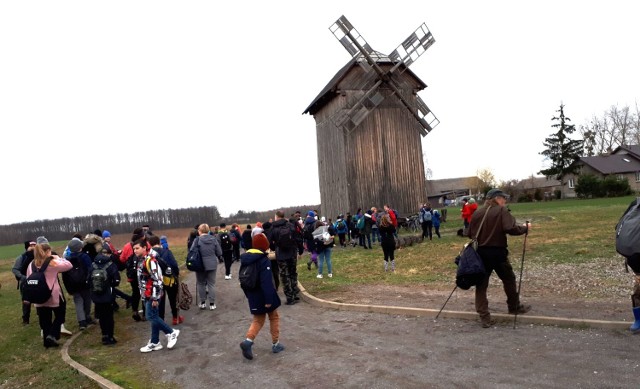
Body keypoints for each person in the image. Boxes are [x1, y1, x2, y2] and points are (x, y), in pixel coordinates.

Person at [467, 188, 531, 328]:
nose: (505, 200)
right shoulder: (501, 210)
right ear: (496, 198)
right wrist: (525, 229)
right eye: (503, 198)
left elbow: (469, 233)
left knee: (481, 285)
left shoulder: (477, 212)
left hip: (481, 254)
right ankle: (514, 307)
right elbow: (510, 228)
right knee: (509, 279)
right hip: (498, 253)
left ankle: (484, 317)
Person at [238, 233, 284, 360]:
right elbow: (266, 282)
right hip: (265, 296)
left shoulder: (246, 260)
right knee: (274, 317)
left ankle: (248, 341)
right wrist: (269, 300)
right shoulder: (263, 260)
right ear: (264, 246)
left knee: (258, 320)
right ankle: (276, 343)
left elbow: (243, 280)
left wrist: (249, 296)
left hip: (253, 295)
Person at [132, 239, 180, 352]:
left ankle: (171, 332)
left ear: (144, 248)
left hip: (152, 294)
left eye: (137, 248)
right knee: (154, 316)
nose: (135, 251)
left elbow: (158, 280)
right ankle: (155, 342)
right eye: (134, 249)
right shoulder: (140, 260)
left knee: (150, 316)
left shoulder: (150, 261)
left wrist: (155, 297)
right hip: (146, 293)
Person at [27, 242, 72, 348]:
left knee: (44, 319)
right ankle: (52, 335)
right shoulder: (52, 263)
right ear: (47, 251)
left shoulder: (31, 264)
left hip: (38, 296)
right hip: (53, 295)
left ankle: (47, 342)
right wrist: (57, 258)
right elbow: (69, 265)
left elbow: (28, 277)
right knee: (60, 315)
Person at [267, 210, 301, 305]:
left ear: (277, 217)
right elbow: (297, 237)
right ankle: (295, 293)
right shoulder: (290, 225)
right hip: (292, 252)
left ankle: (290, 298)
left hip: (281, 254)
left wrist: (275, 247)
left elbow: (269, 242)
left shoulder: (273, 227)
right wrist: (299, 250)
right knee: (293, 273)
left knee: (284, 275)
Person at [89, 248, 121, 345]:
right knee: (109, 316)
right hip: (108, 295)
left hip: (96, 295)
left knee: (101, 316)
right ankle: (110, 337)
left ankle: (104, 335)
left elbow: (88, 280)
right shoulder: (111, 265)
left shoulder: (93, 265)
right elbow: (117, 280)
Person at [148, 235, 182, 325]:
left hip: (157, 281)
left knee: (160, 301)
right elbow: (174, 265)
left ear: (150, 244)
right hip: (169, 280)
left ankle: (161, 320)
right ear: (159, 243)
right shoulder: (167, 252)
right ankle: (175, 317)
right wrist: (176, 274)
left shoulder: (149, 255)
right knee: (173, 299)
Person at [65, 238, 95, 330]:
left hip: (73, 285)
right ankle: (87, 317)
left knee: (78, 302)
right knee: (87, 300)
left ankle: (81, 322)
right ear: (80, 248)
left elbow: (65, 275)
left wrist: (68, 288)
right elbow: (90, 268)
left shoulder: (67, 259)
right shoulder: (84, 256)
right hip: (85, 283)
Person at [193, 224, 222, 310]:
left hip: (200, 265)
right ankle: (212, 304)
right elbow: (219, 252)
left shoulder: (197, 240)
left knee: (201, 283)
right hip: (212, 264)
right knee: (211, 284)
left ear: (200, 231)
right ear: (208, 230)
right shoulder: (213, 239)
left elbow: (192, 251)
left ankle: (203, 303)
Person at [12, 240, 36, 325]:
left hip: (38, 281)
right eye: (32, 245)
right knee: (26, 301)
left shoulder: (39, 256)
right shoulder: (21, 257)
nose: (34, 247)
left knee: (39, 298)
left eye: (35, 245)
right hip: (25, 283)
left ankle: (42, 315)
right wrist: (23, 277)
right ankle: (25, 319)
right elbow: (15, 269)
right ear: (27, 247)